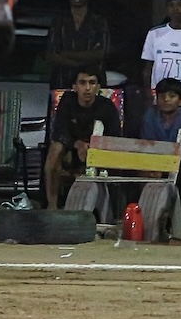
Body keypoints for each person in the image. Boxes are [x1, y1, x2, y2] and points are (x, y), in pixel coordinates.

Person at [135, 76, 181, 239]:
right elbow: (147, 145)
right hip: (159, 156)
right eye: (162, 96)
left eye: (172, 96)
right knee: (145, 169)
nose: (166, 100)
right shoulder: (150, 116)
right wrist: (159, 164)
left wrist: (168, 164)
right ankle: (148, 215)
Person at [45, 66, 123, 212]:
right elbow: (59, 131)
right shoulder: (67, 101)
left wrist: (92, 148)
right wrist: (76, 144)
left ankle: (104, 210)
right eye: (82, 83)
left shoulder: (106, 107)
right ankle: (52, 205)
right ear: (74, 86)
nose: (87, 88)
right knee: (55, 149)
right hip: (71, 151)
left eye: (92, 83)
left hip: (98, 153)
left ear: (98, 87)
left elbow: (115, 138)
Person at [45, 0, 112, 89]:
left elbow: (101, 53)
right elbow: (51, 55)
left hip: (92, 87)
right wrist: (81, 64)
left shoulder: (99, 22)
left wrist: (66, 54)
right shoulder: (58, 21)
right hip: (62, 83)